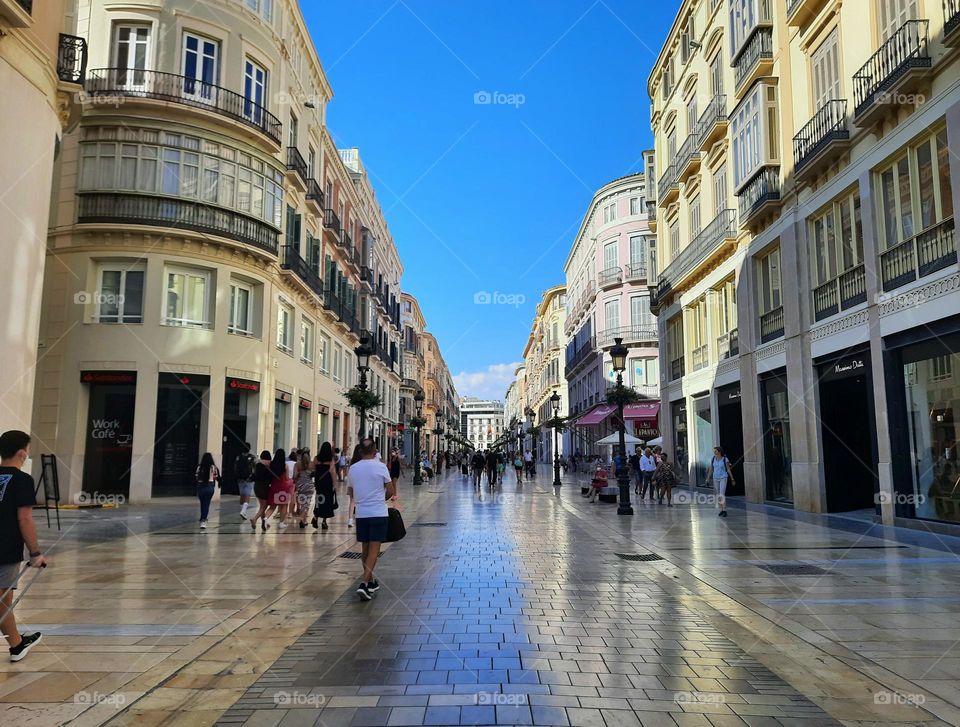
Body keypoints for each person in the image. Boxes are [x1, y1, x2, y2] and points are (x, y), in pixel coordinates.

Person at [0, 430, 45, 663]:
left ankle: (17, 644)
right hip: (5, 550)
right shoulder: (23, 480)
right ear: (21, 452)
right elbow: (24, 519)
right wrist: (35, 553)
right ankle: (17, 645)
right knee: (2, 602)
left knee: (4, 602)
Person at [313, 442, 338, 530]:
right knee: (327, 502)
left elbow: (313, 469)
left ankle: (315, 517)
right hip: (327, 483)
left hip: (319, 483)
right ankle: (324, 521)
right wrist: (334, 484)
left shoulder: (316, 459)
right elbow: (333, 473)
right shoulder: (330, 460)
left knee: (319, 500)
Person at [194, 452, 220, 529]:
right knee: (206, 503)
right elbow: (216, 477)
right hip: (210, 486)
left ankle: (203, 517)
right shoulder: (213, 467)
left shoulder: (199, 467)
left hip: (200, 486)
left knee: (202, 503)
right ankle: (203, 520)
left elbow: (196, 476)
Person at [709, 446, 736, 518]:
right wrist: (707, 478)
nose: (714, 452)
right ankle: (721, 509)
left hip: (723, 478)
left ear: (719, 451)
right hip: (715, 478)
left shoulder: (725, 459)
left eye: (715, 451)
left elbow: (728, 469)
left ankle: (724, 510)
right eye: (714, 451)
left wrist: (732, 479)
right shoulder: (713, 459)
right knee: (718, 494)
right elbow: (711, 469)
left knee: (722, 494)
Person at [251, 450, 274, 532]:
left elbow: (254, 475)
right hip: (264, 487)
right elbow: (270, 477)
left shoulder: (258, 464)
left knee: (262, 506)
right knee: (264, 506)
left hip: (256, 486)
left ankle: (264, 523)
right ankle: (254, 519)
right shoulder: (269, 465)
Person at [233, 443, 257, 520]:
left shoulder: (238, 457)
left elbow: (235, 467)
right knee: (247, 495)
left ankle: (242, 510)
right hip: (248, 479)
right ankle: (243, 511)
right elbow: (255, 468)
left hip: (240, 479)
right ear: (249, 449)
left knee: (242, 495)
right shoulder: (252, 457)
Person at [269, 449, 291, 529]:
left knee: (272, 506)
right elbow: (287, 478)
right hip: (283, 487)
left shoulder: (271, 465)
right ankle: (281, 523)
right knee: (284, 505)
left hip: (274, 486)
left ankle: (265, 519)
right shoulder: (285, 466)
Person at [294, 449, 315, 529]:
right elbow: (314, 474)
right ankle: (302, 520)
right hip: (309, 486)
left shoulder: (297, 465)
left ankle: (303, 520)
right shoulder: (311, 465)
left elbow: (295, 476)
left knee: (303, 504)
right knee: (307, 504)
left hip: (300, 486)